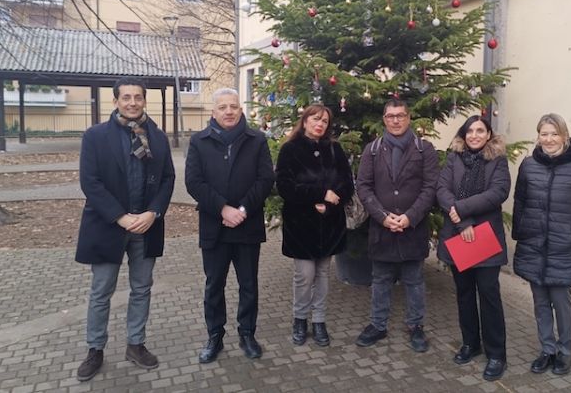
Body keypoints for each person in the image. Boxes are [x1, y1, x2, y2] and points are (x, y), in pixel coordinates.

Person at [75, 77, 175, 382]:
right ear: (116, 101)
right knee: (101, 291)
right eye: (126, 97)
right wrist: (120, 216)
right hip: (108, 226)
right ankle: (95, 350)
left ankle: (135, 344)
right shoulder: (95, 136)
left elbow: (169, 178)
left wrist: (153, 212)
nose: (132, 102)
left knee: (142, 289)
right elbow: (90, 182)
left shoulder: (156, 137)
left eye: (138, 97)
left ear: (144, 100)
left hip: (146, 226)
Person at [185, 88, 274, 363]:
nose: (228, 111)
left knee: (248, 285)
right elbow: (193, 182)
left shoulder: (257, 140)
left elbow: (265, 179)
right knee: (214, 286)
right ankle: (215, 336)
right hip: (215, 227)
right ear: (213, 112)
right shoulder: (199, 142)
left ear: (241, 109)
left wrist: (243, 210)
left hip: (247, 227)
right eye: (222, 107)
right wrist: (223, 208)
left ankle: (247, 333)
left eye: (233, 106)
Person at [512, 113, 571, 376]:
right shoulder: (528, 165)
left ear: (564, 135)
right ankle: (547, 350)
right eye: (543, 134)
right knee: (540, 302)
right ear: (538, 136)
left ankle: (565, 352)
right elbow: (520, 201)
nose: (548, 139)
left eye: (554, 134)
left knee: (561, 302)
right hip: (534, 244)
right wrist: (520, 232)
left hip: (563, 246)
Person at [354, 99, 439, 352]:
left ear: (409, 117)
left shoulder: (425, 149)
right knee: (380, 279)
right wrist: (382, 216)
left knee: (414, 280)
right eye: (390, 116)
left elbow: (430, 187)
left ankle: (416, 327)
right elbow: (363, 186)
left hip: (413, 227)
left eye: (400, 115)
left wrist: (410, 217)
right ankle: (378, 325)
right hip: (382, 228)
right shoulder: (372, 150)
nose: (395, 120)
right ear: (384, 119)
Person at [436, 115, 510, 381]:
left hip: (486, 239)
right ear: (464, 134)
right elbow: (442, 189)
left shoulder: (498, 161)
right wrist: (463, 221)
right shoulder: (454, 158)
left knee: (489, 296)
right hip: (459, 236)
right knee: (464, 293)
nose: (475, 135)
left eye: (481, 130)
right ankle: (470, 343)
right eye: (470, 131)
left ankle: (497, 354)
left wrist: (462, 210)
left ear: (488, 134)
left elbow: (498, 193)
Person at [275, 104, 354, 347]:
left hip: (329, 224)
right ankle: (300, 319)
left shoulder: (335, 149)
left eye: (325, 121)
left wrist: (330, 203)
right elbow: (285, 187)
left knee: (322, 274)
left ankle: (319, 321)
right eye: (315, 119)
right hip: (301, 225)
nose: (320, 124)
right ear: (305, 120)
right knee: (304, 275)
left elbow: (347, 185)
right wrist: (319, 195)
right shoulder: (290, 150)